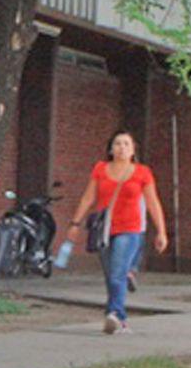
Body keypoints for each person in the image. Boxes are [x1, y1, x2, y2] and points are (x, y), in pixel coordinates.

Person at [65, 130, 169, 334]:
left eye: (126, 144)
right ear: (111, 149)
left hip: (130, 229)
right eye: (118, 144)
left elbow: (152, 203)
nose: (122, 148)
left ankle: (116, 315)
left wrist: (161, 231)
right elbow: (88, 198)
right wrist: (75, 224)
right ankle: (116, 308)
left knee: (116, 273)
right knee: (111, 275)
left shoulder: (142, 173)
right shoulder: (100, 169)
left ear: (133, 150)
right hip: (104, 230)